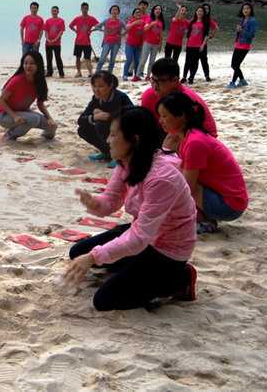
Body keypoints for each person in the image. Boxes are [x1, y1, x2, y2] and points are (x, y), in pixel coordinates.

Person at [64, 107, 197, 311]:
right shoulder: (126, 162)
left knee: (104, 300)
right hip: (144, 235)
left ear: (134, 139)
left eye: (113, 134)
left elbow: (138, 239)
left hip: (168, 248)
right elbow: (111, 200)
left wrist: (94, 257)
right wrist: (94, 203)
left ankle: (181, 279)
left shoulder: (162, 178)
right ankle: (133, 269)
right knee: (78, 252)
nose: (108, 140)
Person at [157, 92, 248, 234]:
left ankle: (202, 221)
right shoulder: (187, 136)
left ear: (181, 116)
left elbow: (187, 187)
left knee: (177, 181)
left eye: (164, 116)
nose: (160, 121)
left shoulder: (195, 142)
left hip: (230, 205)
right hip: (225, 196)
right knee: (173, 172)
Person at [140, 58, 217, 151]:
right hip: (169, 132)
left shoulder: (186, 99)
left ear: (175, 80)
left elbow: (208, 133)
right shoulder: (149, 96)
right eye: (153, 80)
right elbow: (146, 127)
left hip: (198, 139)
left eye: (160, 81)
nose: (155, 86)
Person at [0, 52, 57, 142]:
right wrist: (15, 116)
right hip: (5, 115)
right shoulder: (17, 80)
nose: (28, 66)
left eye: (32, 63)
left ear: (38, 65)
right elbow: (1, 100)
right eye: (25, 63)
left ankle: (44, 138)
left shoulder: (39, 82)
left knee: (52, 127)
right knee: (34, 119)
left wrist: (49, 118)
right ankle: (9, 136)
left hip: (23, 112)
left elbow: (40, 103)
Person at [77, 71, 133, 168]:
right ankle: (106, 152)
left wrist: (109, 116)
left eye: (100, 86)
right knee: (82, 129)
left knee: (101, 124)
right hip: (108, 131)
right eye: (94, 86)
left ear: (110, 85)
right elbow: (80, 120)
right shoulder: (96, 99)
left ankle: (119, 156)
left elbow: (132, 115)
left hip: (124, 132)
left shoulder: (120, 97)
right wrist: (94, 117)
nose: (96, 90)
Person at [228, 3, 258, 89]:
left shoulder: (253, 21)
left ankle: (233, 82)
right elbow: (240, 33)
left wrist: (242, 30)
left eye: (247, 8)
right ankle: (242, 81)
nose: (245, 10)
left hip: (245, 45)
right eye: (244, 8)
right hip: (238, 44)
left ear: (251, 10)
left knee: (235, 65)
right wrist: (238, 31)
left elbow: (251, 35)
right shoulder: (242, 19)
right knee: (234, 65)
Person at [69, 2, 99, 78]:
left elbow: (99, 26)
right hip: (78, 42)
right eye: (83, 8)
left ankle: (90, 73)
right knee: (77, 58)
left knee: (87, 59)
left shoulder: (91, 18)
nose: (85, 10)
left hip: (87, 43)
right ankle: (78, 72)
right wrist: (75, 31)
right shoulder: (77, 18)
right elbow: (70, 25)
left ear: (88, 9)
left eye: (86, 8)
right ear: (81, 9)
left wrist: (92, 30)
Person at [93, 5, 126, 73]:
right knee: (102, 59)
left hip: (116, 43)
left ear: (118, 12)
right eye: (113, 9)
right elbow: (97, 26)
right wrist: (102, 30)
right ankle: (97, 73)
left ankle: (109, 74)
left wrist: (122, 35)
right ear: (110, 11)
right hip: (107, 42)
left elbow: (127, 28)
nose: (114, 11)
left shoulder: (120, 21)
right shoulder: (106, 20)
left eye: (116, 10)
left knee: (112, 60)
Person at [181, 6, 209, 84]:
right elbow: (188, 35)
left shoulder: (205, 23)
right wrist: (185, 44)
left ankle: (191, 77)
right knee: (187, 62)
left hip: (198, 46)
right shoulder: (192, 22)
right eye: (198, 11)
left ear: (203, 13)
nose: (199, 12)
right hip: (190, 45)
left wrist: (203, 45)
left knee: (195, 62)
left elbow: (206, 35)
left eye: (201, 11)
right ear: (196, 12)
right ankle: (184, 77)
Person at [137, 5, 164, 81]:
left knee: (152, 61)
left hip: (156, 44)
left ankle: (148, 76)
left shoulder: (161, 22)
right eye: (156, 9)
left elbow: (161, 34)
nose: (158, 10)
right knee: (143, 60)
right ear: (153, 10)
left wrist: (160, 44)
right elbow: (145, 29)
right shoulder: (149, 19)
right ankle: (137, 75)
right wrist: (152, 23)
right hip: (147, 42)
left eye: (159, 9)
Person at [197, 3, 218, 82]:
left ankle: (207, 76)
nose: (206, 10)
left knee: (204, 60)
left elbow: (215, 27)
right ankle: (189, 76)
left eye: (207, 9)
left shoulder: (208, 20)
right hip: (194, 43)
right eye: (204, 8)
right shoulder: (198, 18)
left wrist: (211, 36)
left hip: (203, 42)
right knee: (193, 60)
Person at [123, 8, 145, 81]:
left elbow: (143, 34)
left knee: (137, 61)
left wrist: (142, 44)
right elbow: (127, 27)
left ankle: (136, 75)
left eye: (139, 13)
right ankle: (125, 75)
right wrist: (135, 23)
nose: (138, 14)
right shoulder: (131, 21)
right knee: (129, 59)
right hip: (130, 44)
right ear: (133, 14)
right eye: (136, 12)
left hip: (138, 45)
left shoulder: (143, 22)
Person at [44, 6, 66, 78]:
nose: (54, 12)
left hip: (57, 43)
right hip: (48, 43)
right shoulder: (48, 21)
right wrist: (47, 39)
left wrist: (55, 39)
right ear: (51, 12)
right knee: (49, 58)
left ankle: (61, 73)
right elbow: (46, 31)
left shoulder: (61, 20)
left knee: (58, 58)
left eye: (55, 11)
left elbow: (61, 31)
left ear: (58, 12)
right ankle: (49, 72)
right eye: (53, 11)